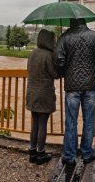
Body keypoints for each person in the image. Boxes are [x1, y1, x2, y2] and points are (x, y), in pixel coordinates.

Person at [54, 18, 95, 166]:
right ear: (85, 22)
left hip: (72, 86)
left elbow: (58, 60)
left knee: (71, 121)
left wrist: (66, 73)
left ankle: (69, 156)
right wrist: (93, 70)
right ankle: (87, 153)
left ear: (71, 23)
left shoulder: (65, 37)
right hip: (90, 85)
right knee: (89, 120)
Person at [26, 29, 60, 165]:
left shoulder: (32, 54)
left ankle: (32, 152)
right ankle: (41, 153)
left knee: (35, 124)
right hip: (45, 93)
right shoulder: (48, 55)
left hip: (31, 93)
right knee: (42, 124)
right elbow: (55, 74)